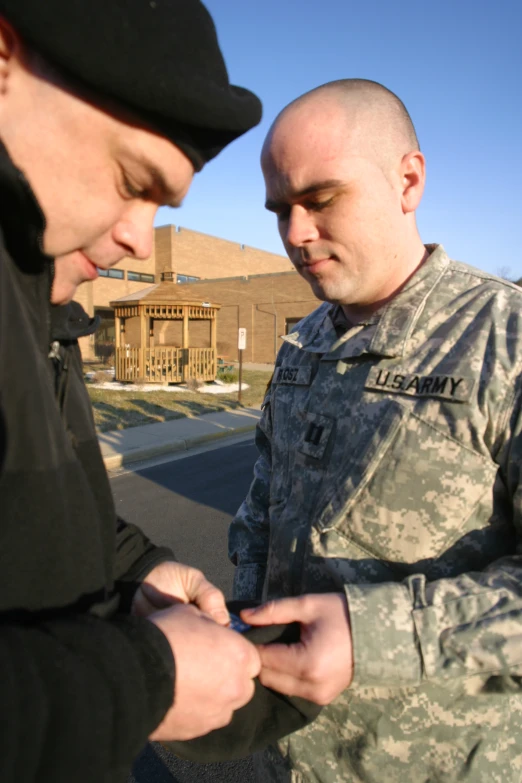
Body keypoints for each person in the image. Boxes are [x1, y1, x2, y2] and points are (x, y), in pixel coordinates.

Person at [229, 78, 522, 782]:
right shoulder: (303, 345)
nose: (296, 233)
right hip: (291, 756)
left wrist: (373, 635)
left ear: (408, 180)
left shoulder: (504, 341)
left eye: (322, 200)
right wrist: (238, 620)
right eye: (281, 211)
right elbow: (262, 511)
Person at [0, 1, 263, 781]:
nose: (138, 242)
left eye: (161, 207)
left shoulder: (37, 297)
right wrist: (144, 678)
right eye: (128, 178)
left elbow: (32, 513)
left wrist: (132, 570)